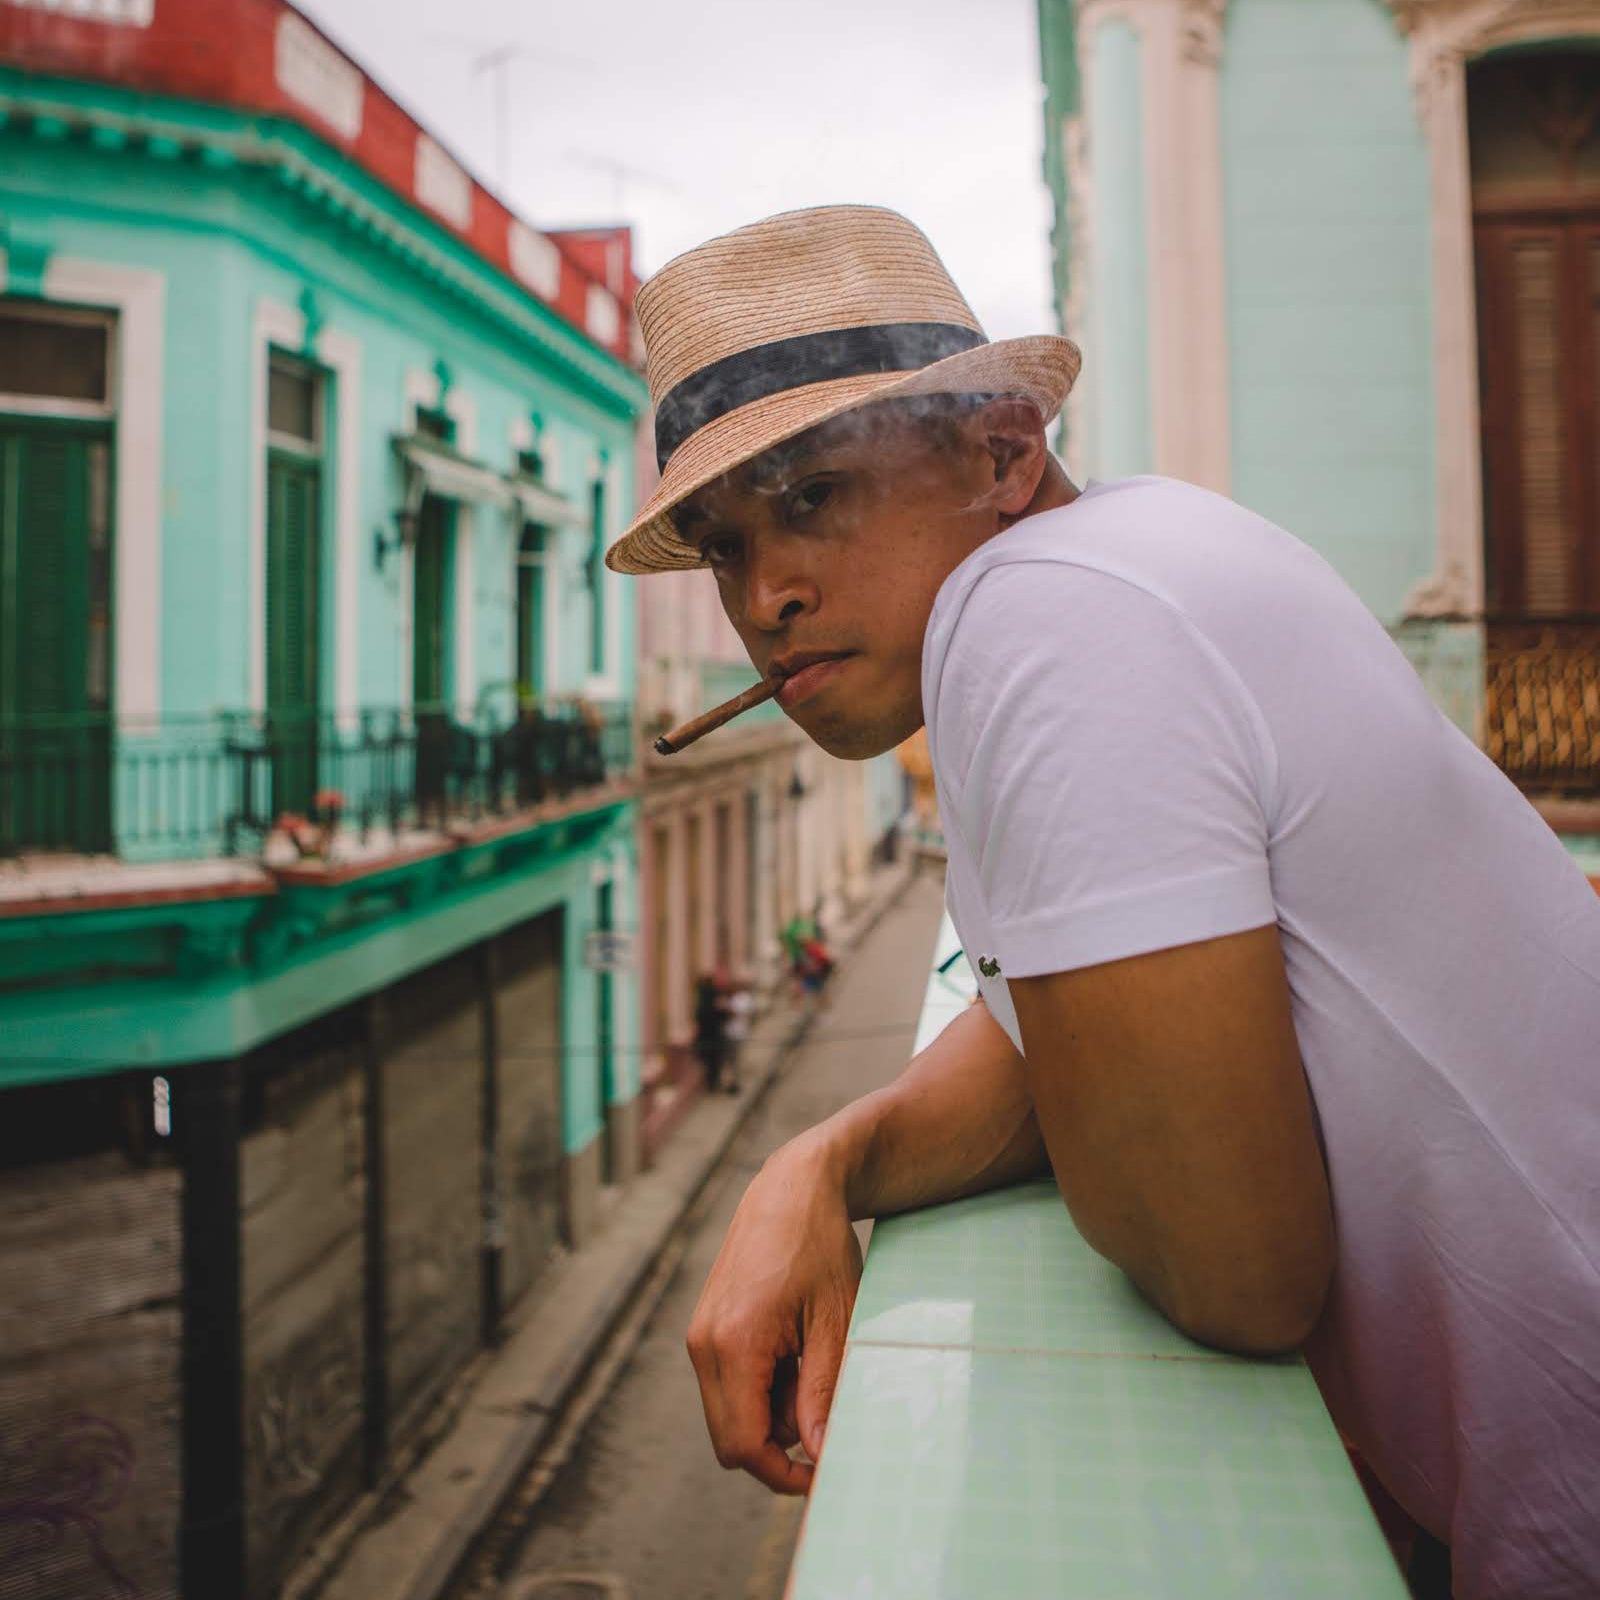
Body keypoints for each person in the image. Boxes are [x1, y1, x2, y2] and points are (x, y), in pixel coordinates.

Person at [604, 205, 1600, 1600]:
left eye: (810, 494)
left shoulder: (1038, 622)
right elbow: (1073, 1045)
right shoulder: (1147, 541)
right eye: (720, 542)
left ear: (1001, 451)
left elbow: (1234, 1272)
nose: (764, 592)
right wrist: (819, 1166)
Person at [692, 972, 728, 1095]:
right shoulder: (714, 997)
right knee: (714, 1063)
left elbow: (698, 1017)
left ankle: (711, 1085)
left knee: (710, 1063)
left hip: (705, 1036)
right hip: (714, 1036)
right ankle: (712, 1085)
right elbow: (723, 1016)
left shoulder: (702, 999)